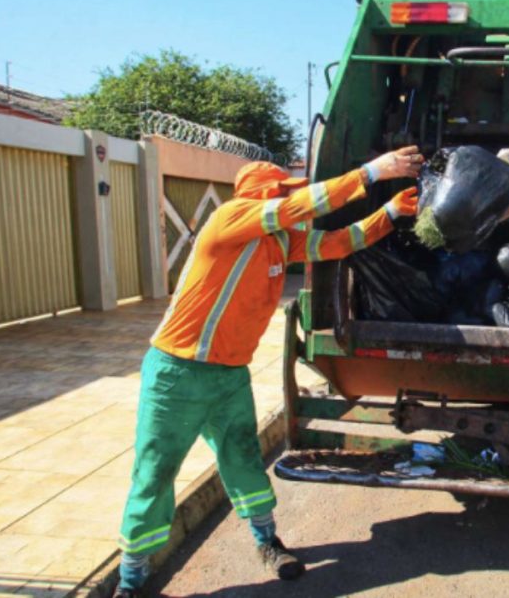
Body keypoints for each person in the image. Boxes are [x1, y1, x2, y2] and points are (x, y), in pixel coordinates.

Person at [113, 147, 423, 597]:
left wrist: (389, 213)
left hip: (229, 376)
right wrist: (372, 173)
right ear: (263, 197)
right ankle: (131, 580)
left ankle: (267, 542)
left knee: (243, 461)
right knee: (155, 473)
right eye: (283, 196)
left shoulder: (280, 239)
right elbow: (300, 207)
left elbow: (337, 242)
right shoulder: (231, 219)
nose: (292, 205)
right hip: (177, 374)